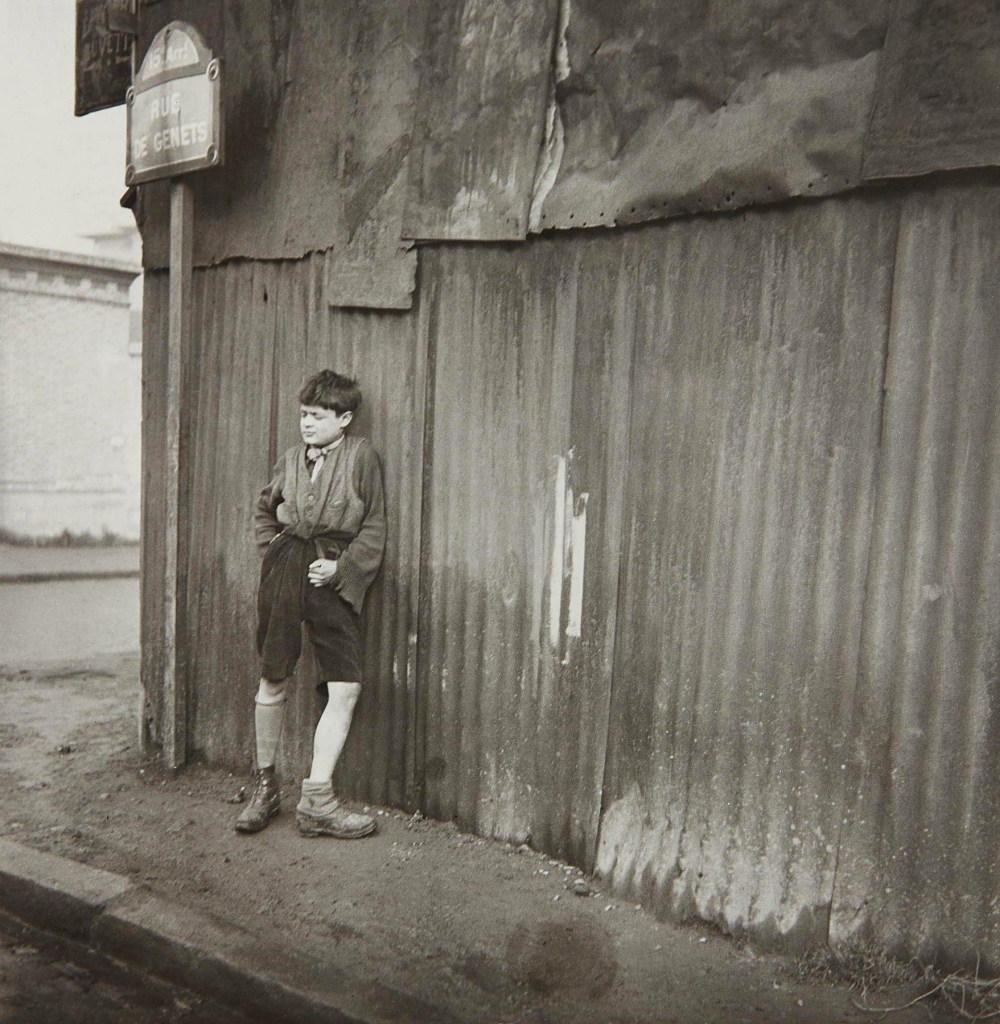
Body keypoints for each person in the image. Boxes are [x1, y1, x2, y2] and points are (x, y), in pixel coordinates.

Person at [235, 369, 386, 839]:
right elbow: (265, 510)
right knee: (273, 673)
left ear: (344, 419)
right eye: (303, 415)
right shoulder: (289, 460)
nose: (306, 423)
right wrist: (275, 552)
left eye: (316, 416)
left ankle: (317, 800)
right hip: (287, 568)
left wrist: (341, 570)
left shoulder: (362, 458)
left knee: (346, 685)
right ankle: (265, 786)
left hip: (333, 574)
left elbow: (375, 526)